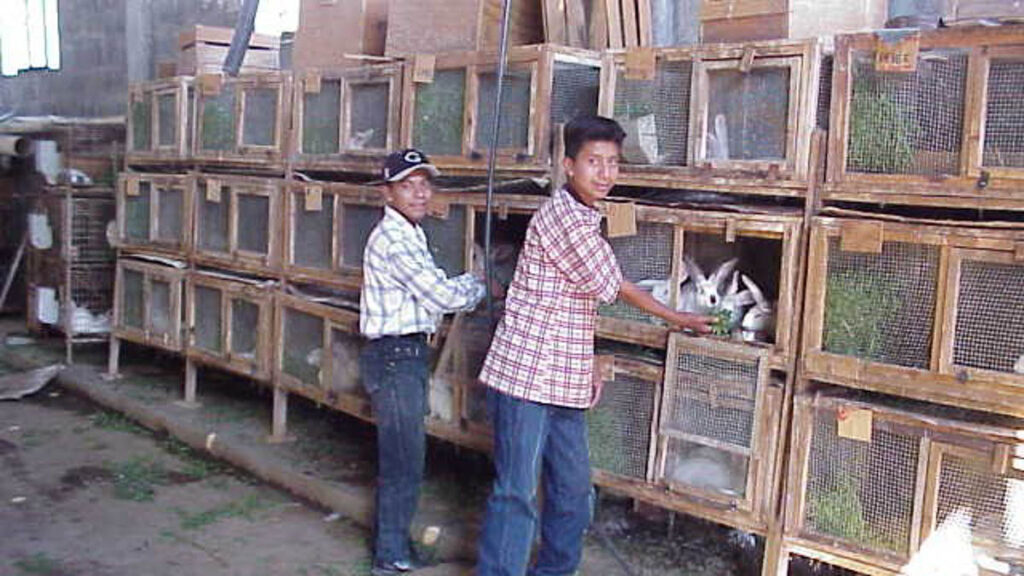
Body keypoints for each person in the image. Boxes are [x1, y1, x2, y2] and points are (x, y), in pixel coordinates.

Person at [476, 116, 714, 576]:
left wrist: (588, 361)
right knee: (516, 492)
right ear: (569, 166)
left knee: (573, 491)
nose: (604, 173)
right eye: (593, 162)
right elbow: (613, 284)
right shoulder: (564, 218)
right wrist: (678, 317)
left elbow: (573, 304)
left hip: (563, 377)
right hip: (525, 376)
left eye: (612, 163)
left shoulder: (587, 215)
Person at [360, 148, 488, 576]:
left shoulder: (411, 231)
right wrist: (479, 286)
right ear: (387, 192)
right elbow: (442, 295)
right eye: (407, 186)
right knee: (403, 459)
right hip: (395, 356)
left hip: (405, 354)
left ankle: (396, 545)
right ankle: (389, 555)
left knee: (406, 457)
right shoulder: (395, 239)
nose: (418, 193)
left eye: (423, 184)